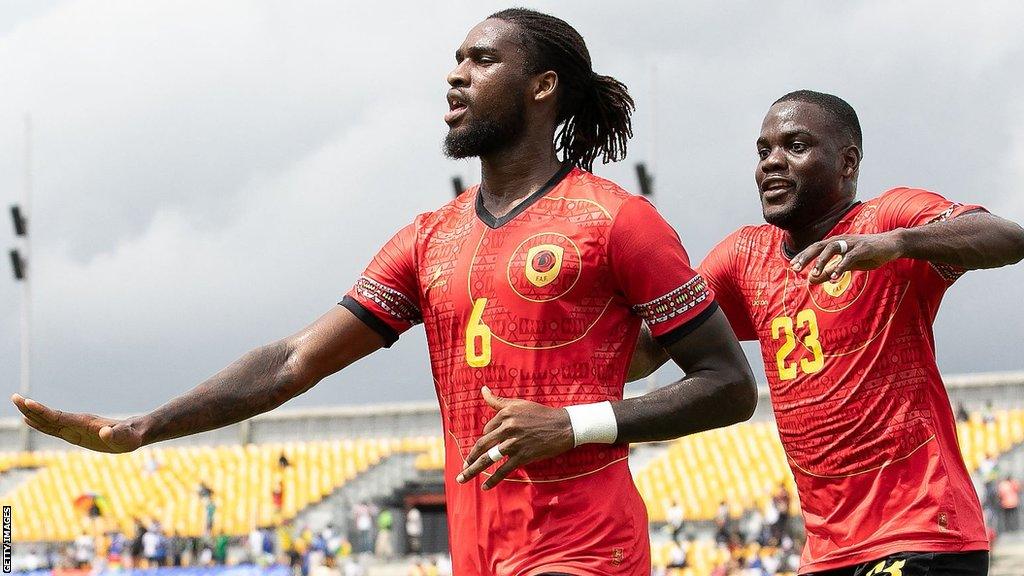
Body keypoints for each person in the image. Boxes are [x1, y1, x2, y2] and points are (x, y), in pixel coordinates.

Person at [10, 8, 756, 576]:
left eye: (481, 60)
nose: (454, 75)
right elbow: (292, 363)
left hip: (584, 550)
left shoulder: (617, 221)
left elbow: (726, 384)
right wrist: (143, 428)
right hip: (476, 553)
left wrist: (576, 424)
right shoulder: (428, 238)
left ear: (542, 86)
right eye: (455, 60)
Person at [621, 91, 1024, 574]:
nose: (772, 163)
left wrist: (895, 245)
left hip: (921, 534)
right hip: (825, 553)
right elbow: (644, 353)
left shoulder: (886, 218)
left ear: (847, 162)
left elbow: (1007, 238)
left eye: (795, 146)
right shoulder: (742, 256)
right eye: (763, 150)